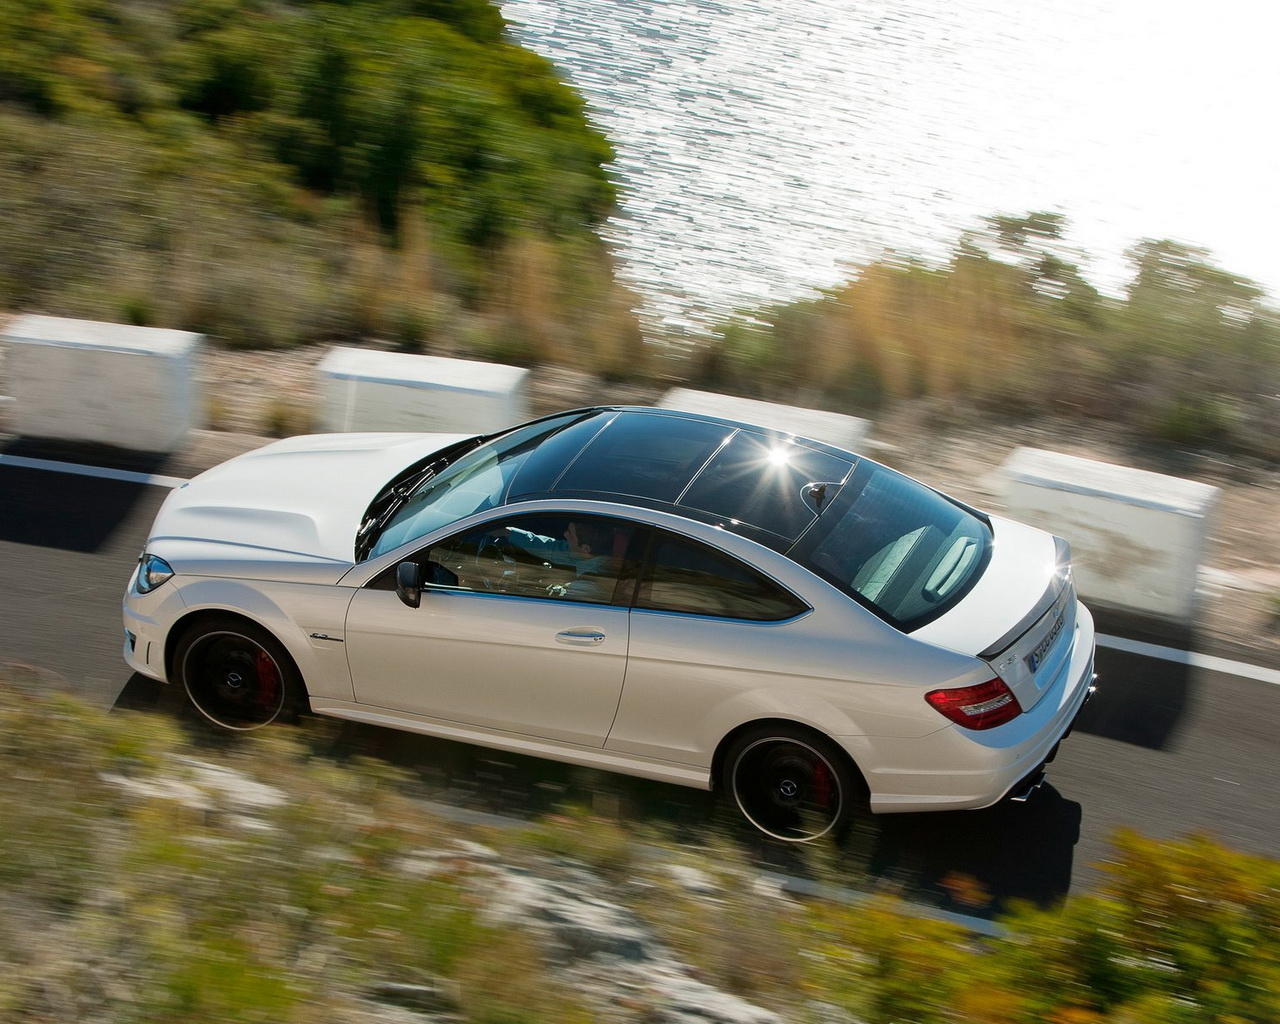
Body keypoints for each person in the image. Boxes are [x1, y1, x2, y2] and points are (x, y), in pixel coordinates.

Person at [501, 519, 619, 602]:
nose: (565, 534)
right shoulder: (590, 554)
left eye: (570, 534)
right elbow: (552, 548)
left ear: (586, 548)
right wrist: (508, 532)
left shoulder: (586, 587)